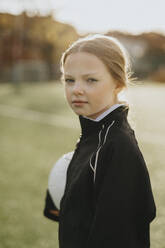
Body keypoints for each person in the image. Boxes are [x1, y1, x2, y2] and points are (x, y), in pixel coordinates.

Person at [43, 34, 156, 248]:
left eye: (91, 80)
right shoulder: (93, 134)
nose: (76, 89)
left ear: (118, 83)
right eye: (69, 80)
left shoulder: (117, 146)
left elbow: (119, 235)